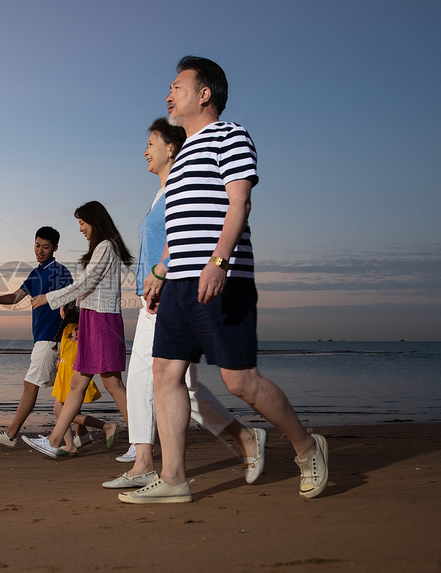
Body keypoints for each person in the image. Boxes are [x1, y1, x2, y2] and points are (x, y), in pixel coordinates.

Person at [120, 56, 328, 504]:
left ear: (204, 93)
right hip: (178, 284)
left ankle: (307, 447)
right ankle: (174, 478)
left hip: (223, 279)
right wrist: (160, 269)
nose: (168, 94)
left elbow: (239, 204)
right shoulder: (182, 157)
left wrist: (218, 261)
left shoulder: (230, 134)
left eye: (177, 86)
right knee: (165, 372)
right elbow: (180, 223)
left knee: (239, 381)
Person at [103, 118, 265, 490]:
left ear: (171, 148)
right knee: (165, 382)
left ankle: (156, 460)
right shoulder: (160, 195)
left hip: (174, 294)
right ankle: (149, 458)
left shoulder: (181, 187)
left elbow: (191, 238)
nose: (145, 150)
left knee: (164, 381)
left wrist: (167, 278)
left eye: (151, 143)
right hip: (155, 296)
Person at [22, 201, 132, 457]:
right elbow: (89, 290)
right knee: (77, 384)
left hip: (103, 321)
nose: (80, 228)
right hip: (93, 321)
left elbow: (86, 284)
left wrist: (49, 298)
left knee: (113, 384)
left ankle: (140, 442)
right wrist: (80, 322)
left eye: (82, 223)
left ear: (95, 221)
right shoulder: (102, 248)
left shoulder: (106, 247)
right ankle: (55, 440)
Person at [0, 226, 72, 447]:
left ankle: (10, 434)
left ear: (55, 248)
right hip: (42, 338)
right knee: (64, 394)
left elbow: (72, 300)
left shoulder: (60, 272)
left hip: (53, 338)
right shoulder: (35, 273)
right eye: (37, 245)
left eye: (45, 247)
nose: (40, 250)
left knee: (31, 385)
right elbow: (16, 297)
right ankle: (82, 435)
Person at [50, 302, 117, 449]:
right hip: (64, 374)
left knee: (63, 412)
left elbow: (78, 340)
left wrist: (78, 333)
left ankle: (106, 426)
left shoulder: (75, 327)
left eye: (62, 308)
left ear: (67, 311)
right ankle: (75, 441)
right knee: (61, 411)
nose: (60, 310)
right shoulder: (70, 327)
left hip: (70, 375)